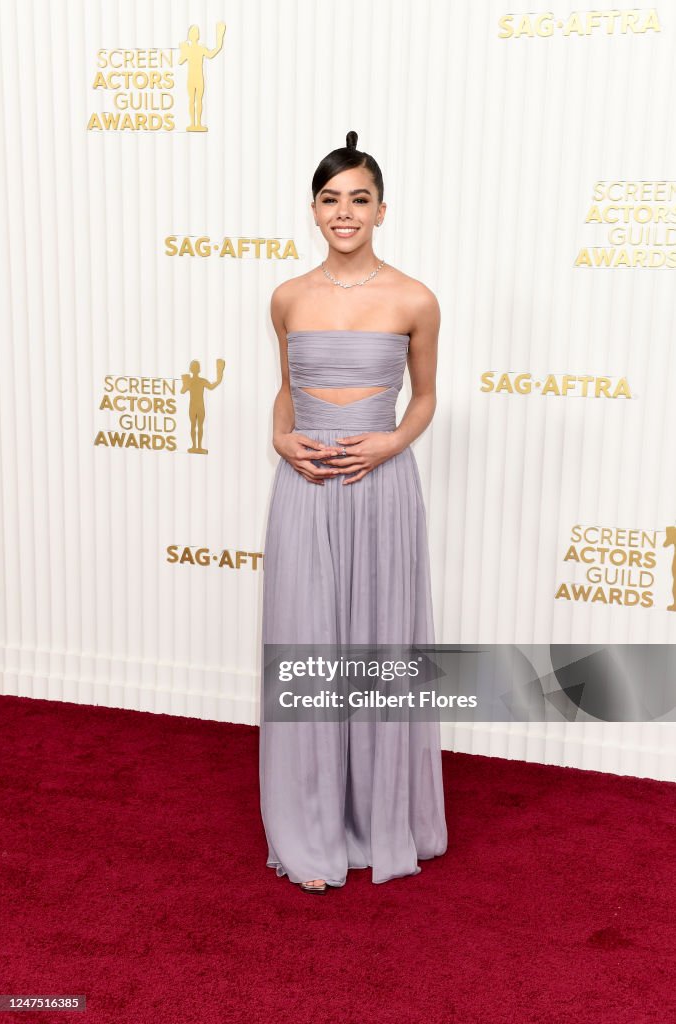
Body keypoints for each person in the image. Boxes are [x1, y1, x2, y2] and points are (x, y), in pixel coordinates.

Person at [259, 130, 448, 893]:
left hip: (380, 485)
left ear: (381, 209)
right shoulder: (287, 296)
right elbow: (288, 389)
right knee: (307, 640)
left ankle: (380, 815)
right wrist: (280, 439)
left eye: (359, 199)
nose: (345, 212)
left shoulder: (414, 298)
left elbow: (427, 395)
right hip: (302, 484)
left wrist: (389, 443)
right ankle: (309, 820)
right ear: (313, 210)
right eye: (331, 199)